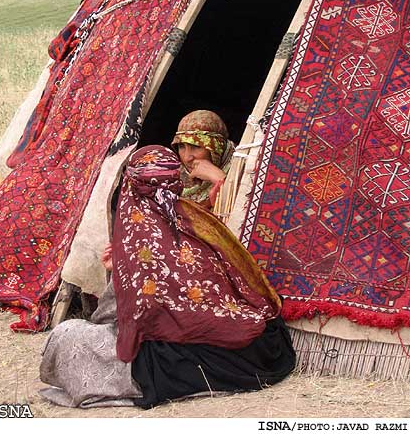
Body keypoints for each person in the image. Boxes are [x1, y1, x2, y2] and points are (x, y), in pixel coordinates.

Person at [40, 145, 295, 409]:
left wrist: (117, 272)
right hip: (259, 349)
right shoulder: (199, 221)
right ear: (176, 182)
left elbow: (124, 320)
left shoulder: (138, 232)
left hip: (167, 359)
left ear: (130, 185)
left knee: (68, 334)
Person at [171, 109, 235, 207]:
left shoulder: (245, 170)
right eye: (181, 146)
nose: (187, 158)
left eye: (196, 146)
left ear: (217, 148)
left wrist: (220, 179)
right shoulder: (175, 180)